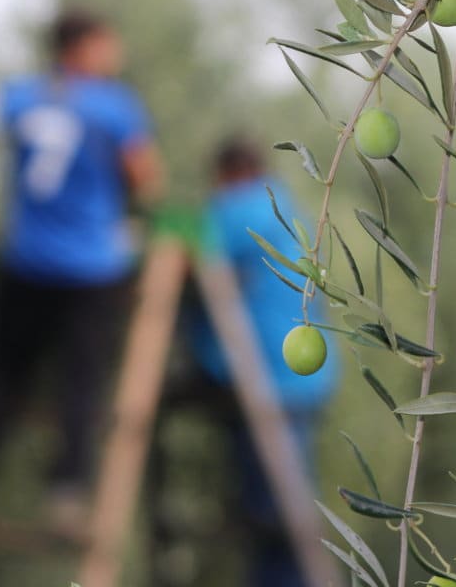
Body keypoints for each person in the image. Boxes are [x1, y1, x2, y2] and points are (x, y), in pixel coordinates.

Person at [0, 9, 164, 537]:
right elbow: (145, 178)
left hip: (25, 261)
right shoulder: (114, 106)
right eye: (107, 44)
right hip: (90, 267)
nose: (116, 55)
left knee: (2, 379)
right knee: (81, 385)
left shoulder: (19, 97)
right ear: (82, 47)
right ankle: (66, 497)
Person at [181, 136, 338, 586]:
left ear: (229, 173)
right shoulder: (287, 207)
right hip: (300, 382)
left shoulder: (240, 207)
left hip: (266, 378)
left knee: (275, 518)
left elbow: (191, 249)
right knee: (285, 510)